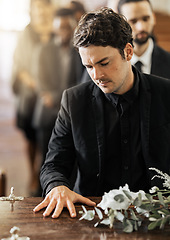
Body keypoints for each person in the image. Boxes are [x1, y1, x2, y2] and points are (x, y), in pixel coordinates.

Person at [33, 7, 170, 219]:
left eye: (104, 63)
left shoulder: (166, 94)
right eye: (88, 66)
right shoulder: (74, 101)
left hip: (157, 215)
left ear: (128, 52)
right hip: (92, 214)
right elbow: (53, 164)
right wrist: (57, 186)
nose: (96, 75)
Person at [11, 0, 54, 195]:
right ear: (33, 10)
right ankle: (32, 174)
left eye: (45, 8)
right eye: (38, 8)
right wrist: (39, 87)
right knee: (31, 137)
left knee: (48, 139)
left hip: (53, 93)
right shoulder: (26, 33)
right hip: (32, 93)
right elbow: (19, 66)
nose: (42, 12)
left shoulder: (55, 29)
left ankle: (44, 172)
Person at [33, 7, 84, 170]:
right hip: (48, 110)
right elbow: (40, 80)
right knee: (46, 156)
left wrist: (59, 98)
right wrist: (53, 97)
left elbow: (81, 81)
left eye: (68, 27)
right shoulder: (43, 49)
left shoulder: (79, 51)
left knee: (70, 158)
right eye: (61, 27)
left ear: (74, 26)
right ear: (54, 27)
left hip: (72, 110)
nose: (64, 31)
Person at [117, 0, 170, 78]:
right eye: (133, 21)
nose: (141, 27)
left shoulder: (168, 61)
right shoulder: (113, 63)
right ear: (122, 24)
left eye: (145, 19)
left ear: (153, 18)